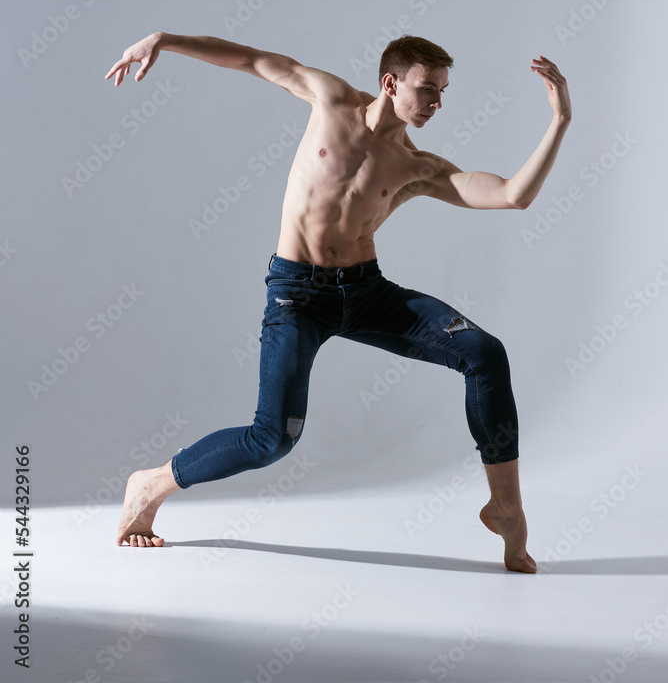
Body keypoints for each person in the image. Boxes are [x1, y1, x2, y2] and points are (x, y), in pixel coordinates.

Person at [104, 32, 571, 571]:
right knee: (271, 439)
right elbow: (255, 58)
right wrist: (164, 40)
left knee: (484, 353)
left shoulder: (418, 166)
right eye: (427, 89)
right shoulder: (330, 100)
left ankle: (506, 507)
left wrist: (559, 120)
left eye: (443, 92)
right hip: (297, 297)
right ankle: (152, 484)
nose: (436, 103)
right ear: (390, 83)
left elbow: (514, 195)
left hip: (367, 292)